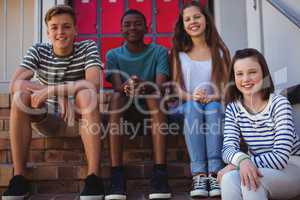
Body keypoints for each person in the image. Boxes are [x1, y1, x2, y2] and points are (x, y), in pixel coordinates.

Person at [2, 5, 105, 200]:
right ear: (48, 32)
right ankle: (19, 178)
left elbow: (93, 83)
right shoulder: (38, 50)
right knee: (19, 97)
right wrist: (57, 96)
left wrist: (54, 89)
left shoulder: (88, 47)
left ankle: (94, 178)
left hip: (80, 121)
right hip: (47, 120)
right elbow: (15, 83)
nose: (60, 32)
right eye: (55, 27)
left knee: (87, 94)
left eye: (66, 27)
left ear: (75, 30)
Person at [104, 9, 171, 200]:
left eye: (137, 23)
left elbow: (159, 88)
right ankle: (117, 175)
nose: (132, 27)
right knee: (117, 98)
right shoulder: (113, 54)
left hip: (153, 111)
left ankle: (160, 174)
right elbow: (118, 87)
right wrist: (129, 85)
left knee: (152, 96)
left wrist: (144, 85)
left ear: (147, 28)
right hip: (125, 111)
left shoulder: (158, 51)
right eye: (127, 24)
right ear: (120, 29)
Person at [218, 48, 300, 200]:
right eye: (239, 74)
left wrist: (238, 164)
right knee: (229, 179)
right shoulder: (234, 108)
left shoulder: (279, 103)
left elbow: (280, 157)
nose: (246, 79)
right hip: (258, 166)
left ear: (264, 73)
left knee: (251, 181)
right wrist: (242, 161)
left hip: (293, 166)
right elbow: (227, 149)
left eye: (252, 72)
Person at [169, 1, 231, 198]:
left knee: (212, 106)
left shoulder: (220, 51)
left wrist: (214, 96)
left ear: (206, 20)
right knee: (194, 106)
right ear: (183, 25)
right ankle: (199, 174)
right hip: (187, 106)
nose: (192, 22)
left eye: (196, 17)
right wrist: (192, 96)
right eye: (187, 19)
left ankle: (214, 173)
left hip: (215, 104)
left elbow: (228, 88)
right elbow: (177, 90)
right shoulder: (179, 54)